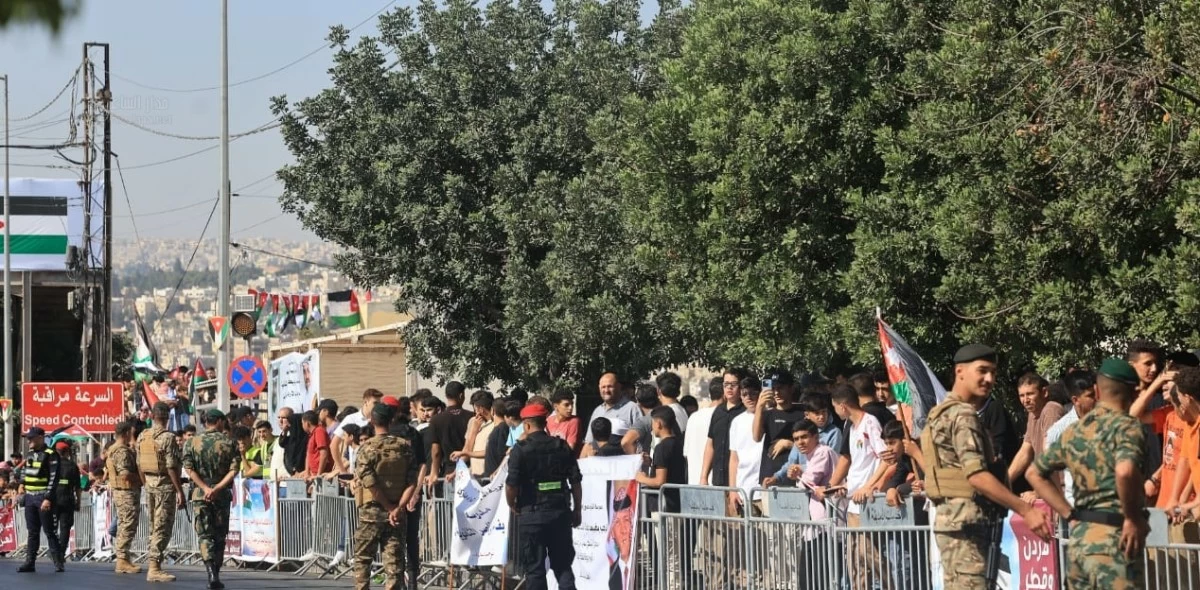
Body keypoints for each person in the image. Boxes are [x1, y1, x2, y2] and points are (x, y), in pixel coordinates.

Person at [921, 344, 1050, 590]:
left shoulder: (939, 413)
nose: (989, 378)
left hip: (951, 523)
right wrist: (1025, 509)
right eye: (982, 370)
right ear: (960, 371)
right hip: (968, 523)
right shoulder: (964, 415)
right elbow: (977, 476)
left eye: (993, 372)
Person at [1027, 358, 1149, 589]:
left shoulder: (1075, 431)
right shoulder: (1127, 427)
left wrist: (1069, 514)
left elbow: (1034, 473)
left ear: (1097, 390)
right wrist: (1132, 518)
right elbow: (1125, 471)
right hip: (1115, 539)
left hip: (1080, 540)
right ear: (1134, 392)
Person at [505, 403, 582, 590]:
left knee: (534, 569)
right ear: (545, 423)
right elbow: (575, 482)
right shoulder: (561, 446)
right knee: (563, 566)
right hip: (559, 514)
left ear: (526, 425)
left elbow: (511, 485)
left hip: (531, 516)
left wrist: (511, 504)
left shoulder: (520, 450)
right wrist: (577, 509)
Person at [353, 402, 419, 590]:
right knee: (394, 562)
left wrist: (389, 507)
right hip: (396, 515)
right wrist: (398, 508)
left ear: (372, 421)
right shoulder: (404, 447)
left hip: (371, 512)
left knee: (363, 559)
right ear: (391, 421)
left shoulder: (367, 448)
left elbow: (370, 482)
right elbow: (412, 482)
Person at [183, 409, 240, 590]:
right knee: (220, 535)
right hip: (221, 494)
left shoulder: (191, 442)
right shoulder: (229, 442)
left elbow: (189, 469)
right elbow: (234, 470)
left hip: (201, 495)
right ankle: (216, 572)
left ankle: (211, 572)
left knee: (205, 535)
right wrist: (217, 488)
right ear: (220, 421)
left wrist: (205, 488)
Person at [137, 401, 186, 582]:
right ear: (167, 418)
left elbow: (139, 464)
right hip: (164, 486)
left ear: (152, 416)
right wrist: (179, 490)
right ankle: (154, 568)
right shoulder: (168, 438)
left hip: (149, 485)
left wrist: (145, 484)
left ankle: (154, 565)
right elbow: (171, 466)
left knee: (153, 526)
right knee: (162, 527)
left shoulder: (143, 436)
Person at [383, 396, 427, 590]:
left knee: (392, 539)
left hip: (391, 496)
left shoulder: (385, 435)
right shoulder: (413, 433)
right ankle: (412, 581)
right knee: (410, 538)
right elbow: (423, 464)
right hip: (409, 493)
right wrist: (416, 492)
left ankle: (397, 579)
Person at [1007, 373, 1067, 501]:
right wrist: (1004, 482)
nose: (1026, 400)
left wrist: (1038, 492)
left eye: (1030, 394)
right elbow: (1025, 452)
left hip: (1062, 491)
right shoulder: (1032, 415)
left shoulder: (1051, 410)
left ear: (1044, 392)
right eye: (1022, 395)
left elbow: (1049, 454)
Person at [1043, 369, 1098, 505]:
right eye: (1091, 395)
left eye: (1098, 393)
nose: (1097, 399)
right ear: (1075, 400)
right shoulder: (1059, 431)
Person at [16, 426, 63, 573]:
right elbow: (25, 471)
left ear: (40, 438)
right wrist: (21, 484)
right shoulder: (30, 454)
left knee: (49, 531)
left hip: (43, 496)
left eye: (31, 438)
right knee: (32, 531)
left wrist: (47, 498)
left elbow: (54, 478)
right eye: (28, 438)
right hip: (30, 497)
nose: (28, 441)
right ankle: (30, 562)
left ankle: (58, 562)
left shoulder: (51, 455)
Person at [752, 369, 807, 484]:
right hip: (769, 476)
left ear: (791, 388)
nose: (776, 392)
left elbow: (812, 446)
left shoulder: (802, 414)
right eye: (773, 389)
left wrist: (788, 444)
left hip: (794, 477)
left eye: (780, 388)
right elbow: (756, 437)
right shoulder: (767, 414)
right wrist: (759, 406)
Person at [106, 420, 144, 574]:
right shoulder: (122, 451)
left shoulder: (113, 449)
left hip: (122, 492)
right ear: (126, 433)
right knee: (128, 525)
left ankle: (124, 558)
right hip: (126, 492)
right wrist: (142, 479)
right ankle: (122, 559)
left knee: (124, 525)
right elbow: (125, 474)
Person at [701, 369, 746, 487]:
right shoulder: (718, 411)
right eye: (726, 384)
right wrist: (703, 476)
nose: (729, 388)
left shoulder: (746, 412)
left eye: (734, 384)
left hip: (739, 481)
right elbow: (710, 444)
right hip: (718, 480)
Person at [428, 382, 473, 486]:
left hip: (449, 471)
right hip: (470, 469)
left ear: (446, 396)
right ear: (461, 395)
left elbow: (436, 451)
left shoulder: (436, 420)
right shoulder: (472, 417)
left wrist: (434, 472)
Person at [583, 373, 643, 447]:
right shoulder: (597, 411)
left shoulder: (632, 408)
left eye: (610, 386)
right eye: (603, 387)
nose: (606, 390)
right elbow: (589, 443)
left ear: (619, 387)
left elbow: (641, 440)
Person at [333, 389, 384, 475]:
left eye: (379, 403)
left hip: (376, 471)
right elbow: (333, 445)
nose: (377, 406)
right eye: (375, 403)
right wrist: (342, 470)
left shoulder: (379, 421)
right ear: (366, 402)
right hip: (356, 473)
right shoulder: (351, 419)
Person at [50, 438, 82, 567]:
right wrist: (78, 502)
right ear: (67, 452)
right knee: (65, 528)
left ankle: (55, 553)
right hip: (67, 500)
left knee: (51, 528)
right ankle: (61, 554)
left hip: (52, 500)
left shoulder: (51, 465)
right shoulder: (72, 466)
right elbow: (78, 487)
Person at [684, 378, 720, 485]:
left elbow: (686, 453)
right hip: (718, 485)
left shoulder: (694, 417)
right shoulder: (724, 417)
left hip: (694, 483)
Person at [547, 390, 582, 454]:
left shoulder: (574, 421)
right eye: (566, 405)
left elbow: (570, 449)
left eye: (572, 404)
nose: (570, 408)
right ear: (555, 406)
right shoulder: (549, 421)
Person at [302, 410, 333, 479]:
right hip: (313, 474)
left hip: (322, 475)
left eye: (302, 423)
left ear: (307, 423)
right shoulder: (312, 435)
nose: (302, 426)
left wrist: (319, 474)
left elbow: (324, 453)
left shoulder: (319, 431)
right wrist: (307, 472)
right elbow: (308, 455)